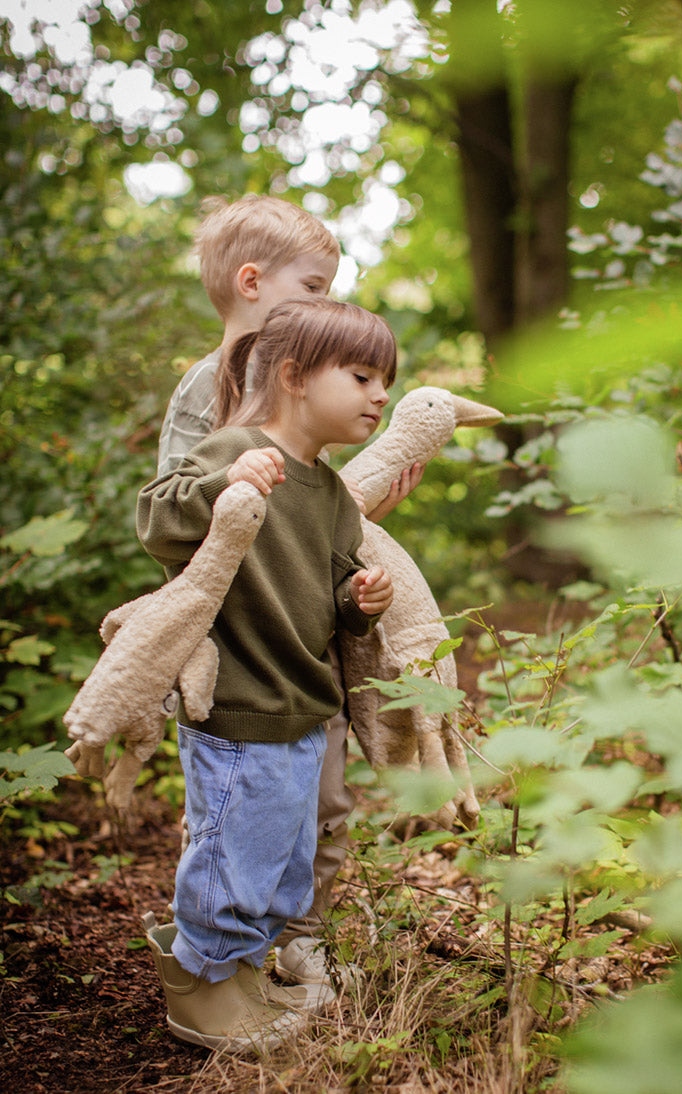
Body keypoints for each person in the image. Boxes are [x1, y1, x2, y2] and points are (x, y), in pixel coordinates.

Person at [157, 194, 422, 994]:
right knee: (247, 803)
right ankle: (214, 958)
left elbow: (308, 514)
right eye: (314, 288)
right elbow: (181, 508)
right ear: (251, 282)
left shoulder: (318, 401)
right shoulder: (212, 389)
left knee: (320, 792)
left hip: (307, 643)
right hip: (241, 646)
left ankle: (304, 928)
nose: (328, 304)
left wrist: (360, 557)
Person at [137, 296, 396, 1049]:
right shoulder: (234, 449)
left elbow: (337, 596)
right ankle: (199, 989)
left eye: (386, 380)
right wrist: (227, 484)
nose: (381, 395)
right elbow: (156, 520)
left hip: (302, 705)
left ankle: (245, 971)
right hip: (240, 701)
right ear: (292, 376)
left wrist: (361, 598)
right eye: (362, 375)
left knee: (280, 857)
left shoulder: (334, 495)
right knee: (234, 854)